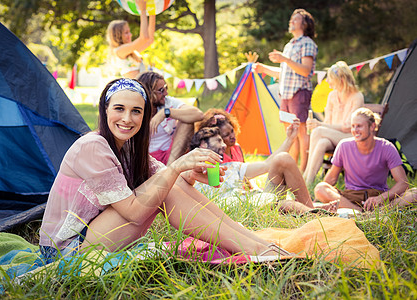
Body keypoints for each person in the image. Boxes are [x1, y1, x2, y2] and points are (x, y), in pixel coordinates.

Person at [39, 78, 290, 263]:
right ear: (105, 111)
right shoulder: (93, 146)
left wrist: (189, 174)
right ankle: (253, 249)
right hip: (67, 250)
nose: (127, 118)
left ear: (144, 116)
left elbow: (174, 182)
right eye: (119, 109)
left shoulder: (127, 147)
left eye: (136, 111)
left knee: (172, 183)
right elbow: (135, 213)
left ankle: (255, 242)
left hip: (95, 233)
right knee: (166, 185)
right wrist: (178, 166)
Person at [190, 121, 334, 214]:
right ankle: (315, 215)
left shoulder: (232, 167)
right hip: (245, 212)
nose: (223, 145)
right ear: (203, 145)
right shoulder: (192, 177)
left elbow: (267, 164)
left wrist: (290, 139)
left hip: (259, 201)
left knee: (282, 159)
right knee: (287, 205)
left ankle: (312, 211)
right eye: (219, 140)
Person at [253, 9, 318, 172]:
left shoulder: (308, 43)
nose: (291, 22)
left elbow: (305, 70)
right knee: (291, 132)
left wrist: (284, 59)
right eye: (291, 19)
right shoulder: (289, 45)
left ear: (304, 24)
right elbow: (285, 73)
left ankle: (304, 170)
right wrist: (264, 69)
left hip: (299, 93)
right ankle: (292, 167)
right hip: (286, 95)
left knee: (302, 132)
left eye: (295, 19)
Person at [314, 108, 409, 212]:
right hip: (351, 197)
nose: (355, 130)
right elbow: (331, 179)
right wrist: (317, 198)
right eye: (353, 126)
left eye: (359, 126)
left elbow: (403, 183)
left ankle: (380, 211)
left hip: (379, 196)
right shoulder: (344, 146)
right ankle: (360, 212)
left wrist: (381, 198)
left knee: (414, 194)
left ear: (372, 126)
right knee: (320, 188)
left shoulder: (387, 147)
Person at [303, 61, 364, 185]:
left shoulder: (357, 96)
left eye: (331, 79)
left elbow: (348, 127)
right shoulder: (332, 96)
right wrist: (320, 125)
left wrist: (319, 125)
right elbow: (327, 121)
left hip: (350, 137)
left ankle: (305, 177)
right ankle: (308, 181)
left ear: (341, 79)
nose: (328, 82)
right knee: (321, 142)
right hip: (333, 137)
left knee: (318, 130)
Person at [137, 71, 203, 165]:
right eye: (161, 90)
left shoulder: (167, 102)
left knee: (187, 121)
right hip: (148, 159)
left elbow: (199, 114)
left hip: (172, 155)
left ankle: (169, 169)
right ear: (149, 92)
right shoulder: (136, 109)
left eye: (166, 88)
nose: (166, 93)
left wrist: (166, 112)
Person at [106, 0, 155, 78]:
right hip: (132, 88)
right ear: (117, 36)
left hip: (140, 86)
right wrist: (143, 10)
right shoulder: (119, 51)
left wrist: (152, 13)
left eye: (129, 32)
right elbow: (144, 38)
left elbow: (150, 39)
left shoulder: (132, 52)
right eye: (126, 33)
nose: (130, 35)